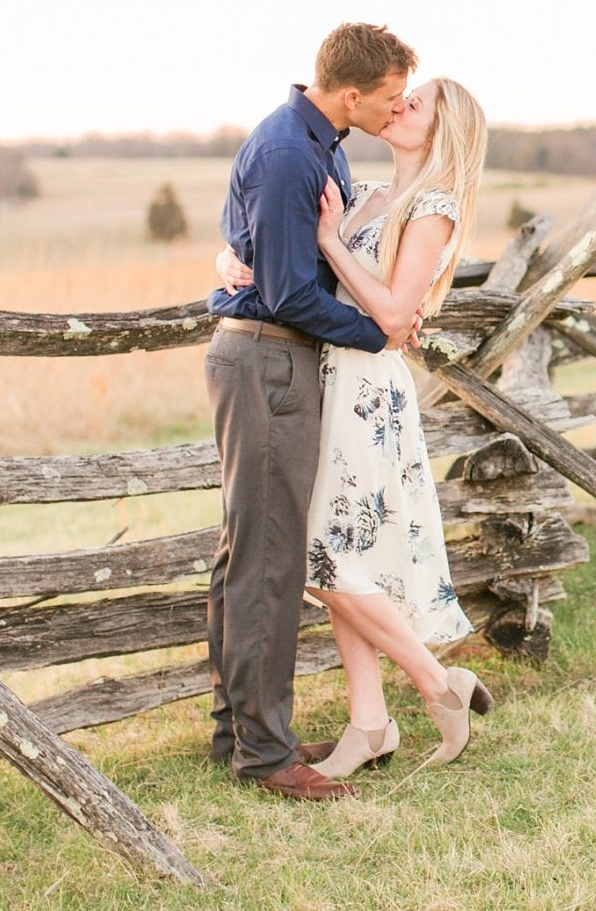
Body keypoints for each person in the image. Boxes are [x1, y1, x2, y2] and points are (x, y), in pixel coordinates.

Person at [216, 76, 494, 781]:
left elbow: (395, 316)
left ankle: (436, 683)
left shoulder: (433, 207)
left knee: (321, 552)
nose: (400, 104)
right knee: (341, 548)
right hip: (325, 375)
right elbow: (282, 256)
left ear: (443, 130)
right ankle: (369, 720)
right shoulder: (365, 189)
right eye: (401, 95)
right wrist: (232, 261)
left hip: (366, 390)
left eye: (418, 102)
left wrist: (333, 247)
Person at [204, 23, 421, 802]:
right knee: (267, 558)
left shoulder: (322, 141)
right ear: (353, 93)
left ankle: (244, 733)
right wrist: (379, 331)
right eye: (392, 98)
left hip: (278, 354)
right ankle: (264, 756)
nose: (399, 110)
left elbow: (271, 254)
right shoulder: (292, 151)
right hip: (265, 358)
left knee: (254, 553)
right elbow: (291, 290)